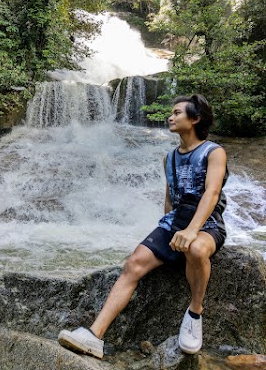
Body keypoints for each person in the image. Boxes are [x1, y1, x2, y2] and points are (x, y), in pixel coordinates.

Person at [58, 94, 228, 359]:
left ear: (195, 119)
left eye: (177, 113)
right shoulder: (169, 158)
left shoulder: (213, 152)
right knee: (135, 262)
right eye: (171, 113)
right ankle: (94, 335)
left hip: (206, 223)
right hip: (176, 224)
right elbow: (170, 198)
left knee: (195, 250)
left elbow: (212, 192)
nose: (170, 117)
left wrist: (192, 230)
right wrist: (167, 233)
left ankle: (195, 314)